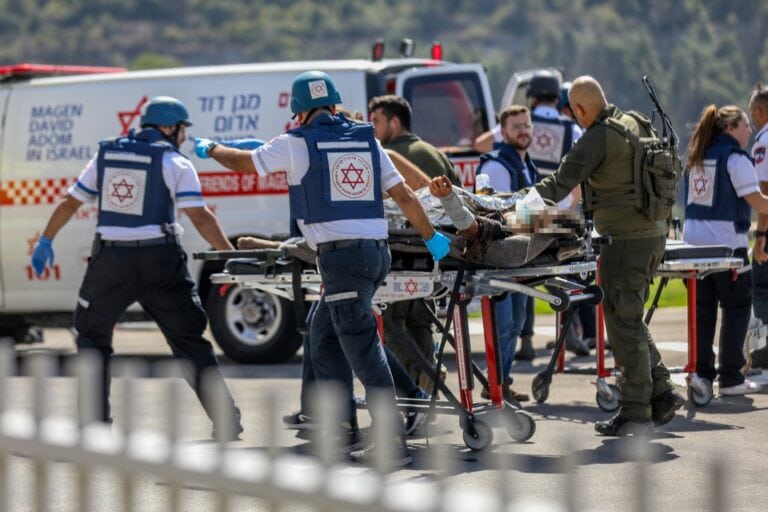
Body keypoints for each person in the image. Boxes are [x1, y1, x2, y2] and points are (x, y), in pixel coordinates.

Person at [195, 71, 450, 465]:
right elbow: (402, 195)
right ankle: (346, 426)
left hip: (343, 259)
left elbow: (245, 162)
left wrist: (211, 148)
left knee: (364, 352)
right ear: (333, 104)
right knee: (323, 332)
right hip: (373, 254)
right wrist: (432, 237)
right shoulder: (366, 139)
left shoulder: (297, 142)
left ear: (299, 112)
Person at [30, 96, 243, 440]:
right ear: (169, 127)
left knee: (93, 337)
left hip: (112, 263)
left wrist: (46, 240)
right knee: (190, 341)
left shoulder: (106, 155)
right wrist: (230, 255)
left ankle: (94, 426)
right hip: (161, 261)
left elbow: (71, 202)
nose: (184, 137)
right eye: (182, 130)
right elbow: (200, 217)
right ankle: (226, 419)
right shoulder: (176, 162)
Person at [533, 76, 684, 436]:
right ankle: (661, 390)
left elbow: (557, 184)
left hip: (625, 243)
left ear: (581, 110)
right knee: (627, 317)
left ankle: (635, 412)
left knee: (623, 324)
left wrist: (510, 207)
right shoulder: (635, 122)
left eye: (575, 113)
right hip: (653, 235)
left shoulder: (598, 138)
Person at [368, 94, 457, 393]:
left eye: (376, 121)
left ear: (395, 122)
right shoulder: (434, 152)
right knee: (420, 321)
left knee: (392, 324)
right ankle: (429, 374)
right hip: (433, 255)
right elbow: (452, 196)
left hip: (402, 254)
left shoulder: (384, 154)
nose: (372, 127)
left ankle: (419, 381)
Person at [684, 104, 768, 395]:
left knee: (703, 311)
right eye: (745, 125)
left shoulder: (697, 156)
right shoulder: (735, 158)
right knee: (737, 307)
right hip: (725, 248)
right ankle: (731, 377)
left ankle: (703, 375)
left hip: (692, 249)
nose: (749, 130)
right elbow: (756, 201)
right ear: (730, 128)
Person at [475, 104, 542, 403]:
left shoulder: (526, 164)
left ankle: (501, 383)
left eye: (526, 125)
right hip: (501, 261)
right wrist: (553, 220)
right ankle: (494, 386)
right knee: (503, 325)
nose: (523, 131)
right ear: (503, 132)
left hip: (521, 259)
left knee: (514, 324)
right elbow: (503, 215)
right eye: (516, 127)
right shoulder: (496, 166)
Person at [748, 83, 768, 369]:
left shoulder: (763, 140)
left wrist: (761, 237)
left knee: (762, 289)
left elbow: (765, 190)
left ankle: (763, 357)